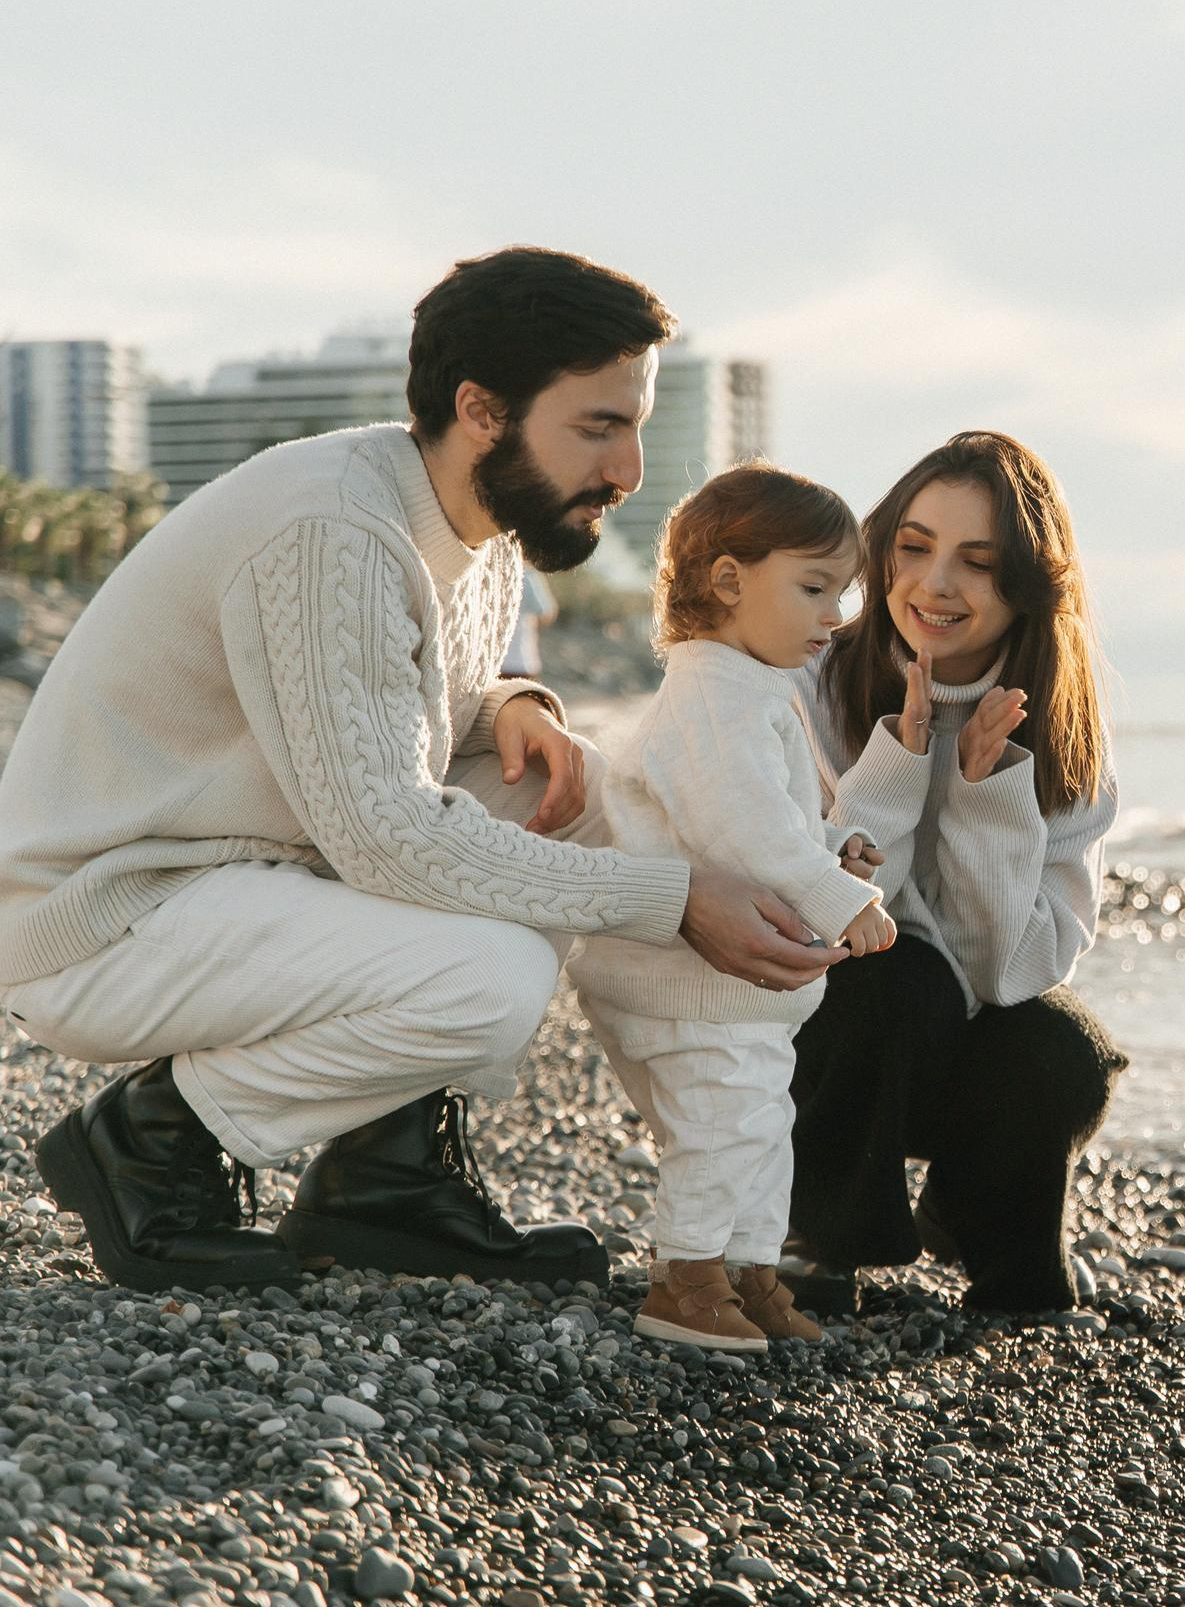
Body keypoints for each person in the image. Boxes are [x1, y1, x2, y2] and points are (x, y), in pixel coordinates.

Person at [0, 246, 848, 1293]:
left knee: (571, 789)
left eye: (632, 426)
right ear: (482, 409)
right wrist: (673, 900)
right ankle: (151, 1138)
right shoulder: (330, 526)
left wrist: (507, 708)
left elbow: (370, 714)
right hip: (110, 913)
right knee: (488, 987)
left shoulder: (478, 536)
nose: (630, 473)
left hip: (245, 864)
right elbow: (386, 831)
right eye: (600, 426)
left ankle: (386, 1178)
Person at [791, 430, 1126, 1312]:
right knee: (897, 976)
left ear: (1028, 584)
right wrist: (897, 764)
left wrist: (987, 801)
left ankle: (977, 1221)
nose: (935, 584)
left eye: (978, 562)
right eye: (914, 547)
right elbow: (823, 908)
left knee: (1059, 1048)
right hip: (816, 1034)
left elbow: (1005, 974)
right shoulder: (810, 684)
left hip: (957, 1035)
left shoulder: (1067, 738)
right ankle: (818, 1241)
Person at [567, 461, 897, 1351]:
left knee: (761, 1123)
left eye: (843, 592)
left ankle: (751, 1275)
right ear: (728, 580)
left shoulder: (749, 688)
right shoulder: (712, 693)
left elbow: (763, 820)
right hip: (683, 980)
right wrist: (839, 893)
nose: (837, 614)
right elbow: (742, 830)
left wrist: (831, 846)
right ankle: (686, 1279)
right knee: (723, 1123)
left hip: (733, 989)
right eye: (816, 587)